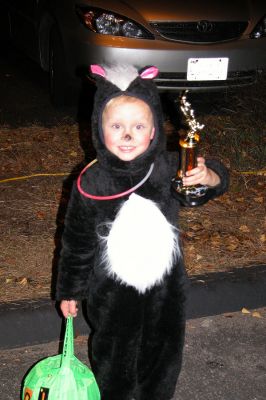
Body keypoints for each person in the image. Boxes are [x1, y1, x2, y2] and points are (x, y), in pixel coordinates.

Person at [56, 64, 229, 400]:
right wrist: (70, 291)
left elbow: (216, 179)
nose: (127, 135)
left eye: (138, 126)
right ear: (98, 128)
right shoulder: (91, 182)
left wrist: (208, 177)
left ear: (153, 132)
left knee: (163, 354)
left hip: (166, 290)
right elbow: (76, 242)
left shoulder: (167, 167)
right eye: (116, 126)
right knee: (113, 357)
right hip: (110, 295)